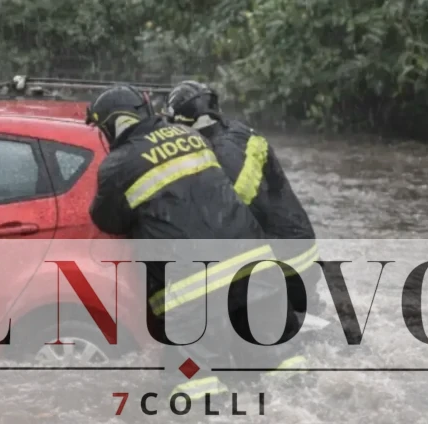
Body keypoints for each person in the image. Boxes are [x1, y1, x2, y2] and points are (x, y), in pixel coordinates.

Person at [86, 85, 304, 402]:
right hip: (255, 268)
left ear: (113, 124)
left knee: (194, 385)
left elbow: (107, 220)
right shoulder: (192, 137)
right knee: (279, 365)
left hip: (193, 289)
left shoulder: (118, 165)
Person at [163, 81, 321, 318]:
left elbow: (232, 214)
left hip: (286, 258)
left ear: (183, 121)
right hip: (298, 246)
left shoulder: (223, 152)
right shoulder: (236, 133)